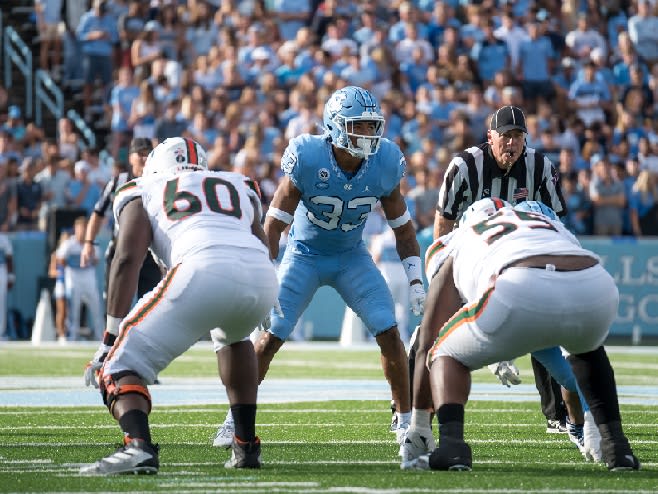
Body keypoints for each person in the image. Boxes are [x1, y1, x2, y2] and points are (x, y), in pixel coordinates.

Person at [212, 86, 426, 450]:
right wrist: (265, 280)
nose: (369, 135)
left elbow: (403, 230)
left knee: (389, 332)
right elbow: (275, 225)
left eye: (373, 127)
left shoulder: (384, 162)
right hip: (304, 253)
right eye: (359, 126)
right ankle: (235, 419)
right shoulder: (309, 155)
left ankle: (404, 420)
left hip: (351, 256)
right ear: (336, 126)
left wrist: (416, 280)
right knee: (269, 338)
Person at [80, 137, 278, 474]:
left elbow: (127, 258)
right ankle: (245, 446)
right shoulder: (237, 182)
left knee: (115, 365)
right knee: (234, 338)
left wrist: (110, 336)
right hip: (261, 274)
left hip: (202, 266)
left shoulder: (143, 186)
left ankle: (138, 446)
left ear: (156, 164)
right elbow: (260, 240)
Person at [407, 197, 640, 472]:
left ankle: (452, 447)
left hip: (519, 285)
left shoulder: (460, 238)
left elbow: (430, 338)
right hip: (595, 285)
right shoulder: (545, 222)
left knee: (444, 350)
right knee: (588, 350)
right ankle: (618, 448)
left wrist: (419, 422)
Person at [430, 104, 569, 434]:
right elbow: (444, 220)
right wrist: (440, 275)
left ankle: (559, 413)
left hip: (520, 257)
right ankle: (411, 413)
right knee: (434, 332)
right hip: (470, 257)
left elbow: (558, 222)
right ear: (490, 137)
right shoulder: (465, 166)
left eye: (517, 137)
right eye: (505, 136)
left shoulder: (539, 167)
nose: (511, 143)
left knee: (546, 322)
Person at [81, 138, 161, 303]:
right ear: (131, 157)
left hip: (150, 254)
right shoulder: (119, 181)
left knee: (150, 309)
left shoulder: (160, 181)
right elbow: (98, 212)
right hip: (121, 250)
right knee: (114, 307)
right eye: (141, 154)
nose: (145, 158)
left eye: (148, 154)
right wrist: (89, 242)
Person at [56, 215, 103, 341]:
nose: (82, 231)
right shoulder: (68, 244)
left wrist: (87, 260)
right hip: (73, 278)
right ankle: (73, 335)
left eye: (84, 228)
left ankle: (100, 335)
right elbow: (59, 258)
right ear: (75, 229)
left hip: (89, 278)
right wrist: (73, 265)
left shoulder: (92, 243)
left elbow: (97, 260)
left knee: (96, 307)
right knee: (73, 309)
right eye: (79, 228)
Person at [0, 232, 15, 340]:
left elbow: (9, 258)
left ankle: (0, 332)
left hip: (1, 269)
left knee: (1, 302)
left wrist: (10, 276)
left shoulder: (3, 239)